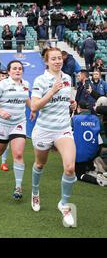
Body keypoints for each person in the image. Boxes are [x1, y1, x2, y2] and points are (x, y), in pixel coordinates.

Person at [30, 47, 78, 227]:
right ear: (46, 61)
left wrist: (71, 103)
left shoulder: (67, 78)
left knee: (70, 168)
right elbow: (34, 106)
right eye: (54, 59)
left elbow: (66, 99)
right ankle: (35, 192)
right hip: (44, 130)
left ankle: (64, 204)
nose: (58, 61)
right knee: (40, 164)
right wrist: (51, 91)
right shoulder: (41, 80)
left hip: (63, 129)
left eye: (60, 58)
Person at [0, 60, 32, 199]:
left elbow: (26, 98)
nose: (17, 71)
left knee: (18, 154)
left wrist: (32, 109)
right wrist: (1, 112)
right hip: (2, 123)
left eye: (20, 68)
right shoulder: (2, 85)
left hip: (19, 122)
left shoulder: (26, 84)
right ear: (9, 71)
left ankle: (18, 187)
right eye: (14, 68)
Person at [72, 101, 106, 186]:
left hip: (79, 154)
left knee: (78, 174)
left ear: (79, 108)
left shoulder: (75, 119)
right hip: (93, 153)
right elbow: (101, 140)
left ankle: (97, 180)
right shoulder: (96, 119)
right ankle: (95, 172)